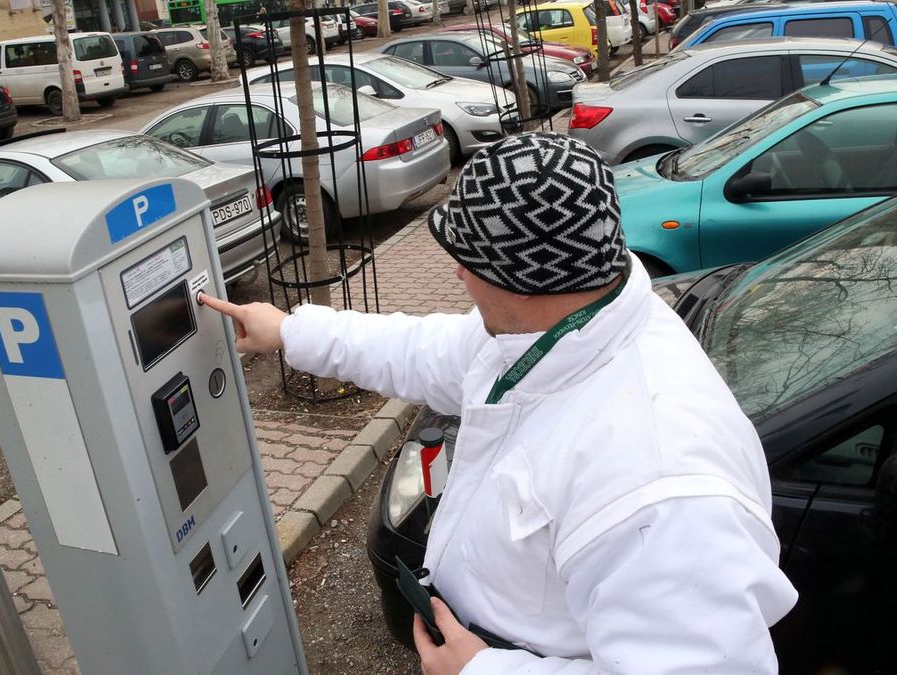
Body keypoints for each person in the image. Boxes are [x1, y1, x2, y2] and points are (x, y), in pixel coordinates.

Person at [200, 133, 798, 674]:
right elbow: (424, 350)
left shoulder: (660, 482)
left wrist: (485, 672)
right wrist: (292, 331)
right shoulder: (557, 327)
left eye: (469, 259)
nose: (457, 273)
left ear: (524, 276)